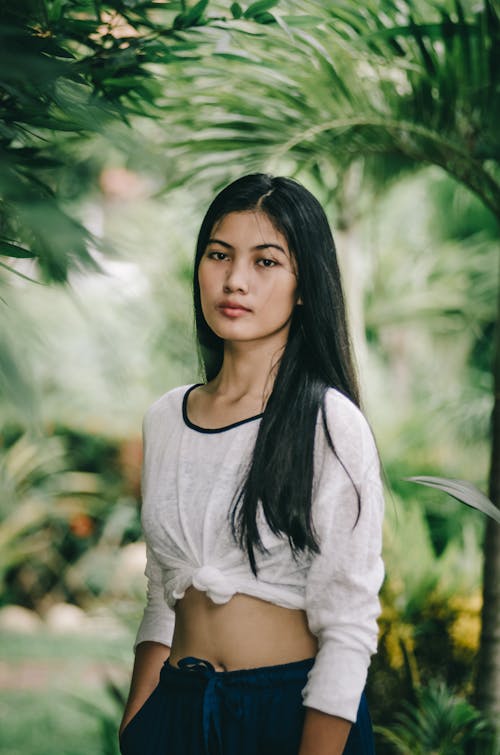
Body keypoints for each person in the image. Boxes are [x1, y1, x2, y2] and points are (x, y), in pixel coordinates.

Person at [118, 174, 385, 755]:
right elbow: (162, 591)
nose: (235, 280)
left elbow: (349, 623)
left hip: (286, 713)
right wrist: (138, 724)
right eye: (219, 255)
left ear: (304, 285)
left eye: (266, 262)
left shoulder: (330, 423)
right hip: (177, 712)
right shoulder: (165, 419)